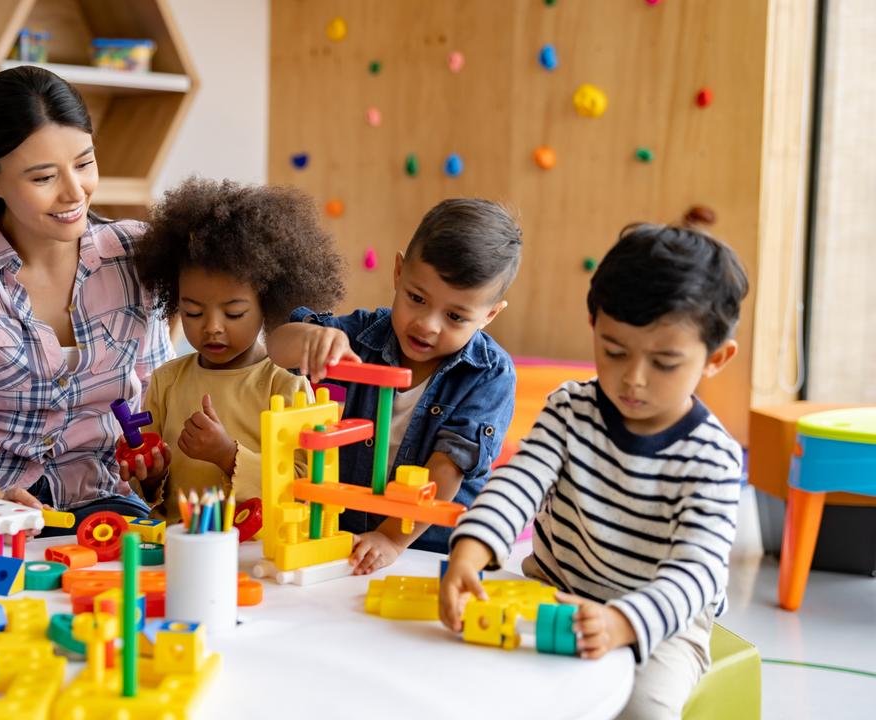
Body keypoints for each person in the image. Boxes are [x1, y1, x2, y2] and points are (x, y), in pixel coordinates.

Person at [440, 224, 748, 720]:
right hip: (552, 590)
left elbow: (697, 572)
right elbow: (518, 484)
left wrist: (624, 622)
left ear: (716, 358)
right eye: (615, 351)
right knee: (473, 680)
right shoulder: (570, 410)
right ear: (593, 324)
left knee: (642, 709)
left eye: (665, 362)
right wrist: (471, 551)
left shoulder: (712, 458)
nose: (634, 379)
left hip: (661, 623)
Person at [0, 66, 173, 559]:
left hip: (100, 498)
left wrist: (153, 461)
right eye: (44, 177)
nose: (74, 193)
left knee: (142, 593)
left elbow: (161, 392)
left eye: (84, 163)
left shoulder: (136, 252)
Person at [267, 198, 522, 572]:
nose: (427, 324)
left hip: (428, 545)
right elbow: (276, 349)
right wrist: (311, 340)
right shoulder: (365, 334)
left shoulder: (489, 374)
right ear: (399, 272)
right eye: (417, 298)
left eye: (455, 316)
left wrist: (391, 537)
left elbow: (447, 468)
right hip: (346, 531)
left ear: (489, 315)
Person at [125, 177, 345, 521]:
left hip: (256, 552)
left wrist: (228, 455)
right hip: (177, 545)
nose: (212, 326)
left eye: (234, 313)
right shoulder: (166, 381)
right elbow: (152, 491)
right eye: (193, 312)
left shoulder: (286, 387)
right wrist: (150, 474)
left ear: (268, 304)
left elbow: (304, 486)